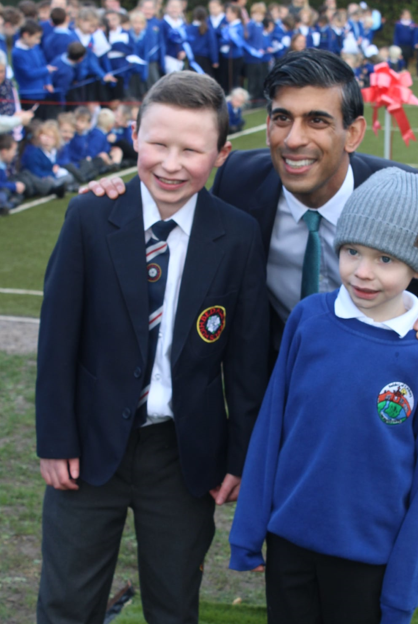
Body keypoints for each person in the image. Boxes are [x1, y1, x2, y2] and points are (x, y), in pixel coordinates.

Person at [89, 49, 418, 476]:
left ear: (353, 133)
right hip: (284, 425)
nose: (294, 139)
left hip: (389, 431)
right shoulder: (238, 179)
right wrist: (120, 193)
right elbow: (171, 189)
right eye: (281, 118)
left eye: (317, 120)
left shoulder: (415, 199)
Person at [35, 70, 269, 624]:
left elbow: (246, 358)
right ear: (134, 136)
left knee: (172, 598)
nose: (170, 163)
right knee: (68, 597)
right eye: (158, 143)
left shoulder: (236, 235)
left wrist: (240, 456)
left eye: (191, 150)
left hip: (183, 451)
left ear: (220, 154)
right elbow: (57, 337)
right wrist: (55, 438)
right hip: (89, 446)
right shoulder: (91, 217)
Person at [230, 167, 418, 624]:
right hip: (289, 544)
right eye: (352, 251)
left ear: (417, 267)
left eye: (385, 259)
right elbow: (272, 427)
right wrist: (248, 531)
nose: (363, 272)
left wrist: (400, 595)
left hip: (367, 562)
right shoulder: (309, 318)